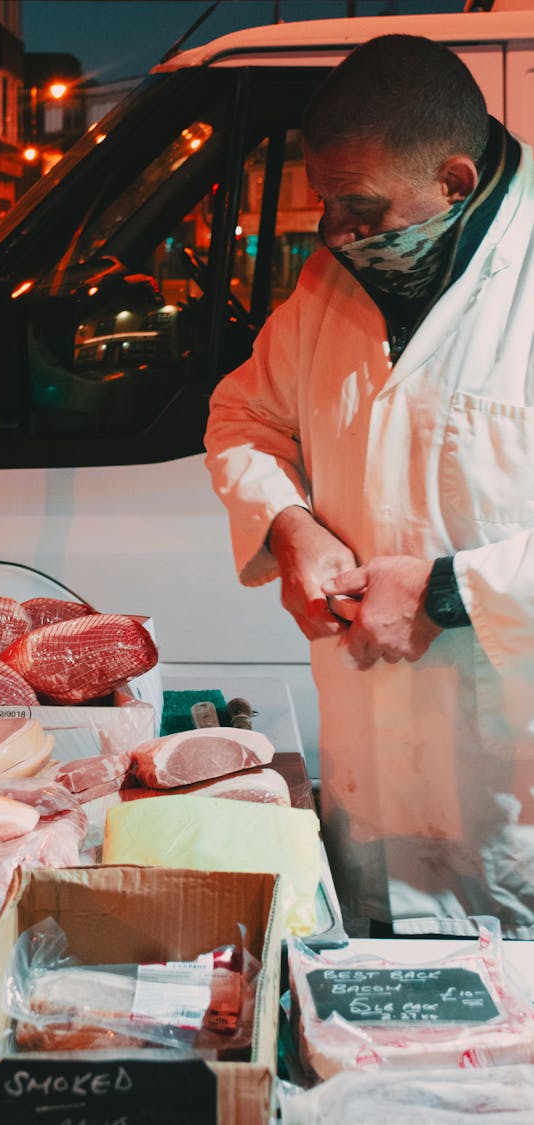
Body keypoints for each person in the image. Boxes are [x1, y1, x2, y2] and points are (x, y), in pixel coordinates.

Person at [204, 33, 534, 938]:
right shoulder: (326, 286)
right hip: (375, 800)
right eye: (327, 207)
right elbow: (244, 417)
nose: (339, 234)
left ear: (456, 181)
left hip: (512, 808)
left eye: (362, 208)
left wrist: (447, 593)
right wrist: (289, 524)